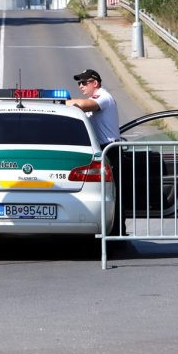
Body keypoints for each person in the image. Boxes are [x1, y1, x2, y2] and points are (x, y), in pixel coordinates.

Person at [67, 69, 125, 236]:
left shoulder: (103, 97)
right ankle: (111, 231)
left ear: (95, 83)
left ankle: (117, 233)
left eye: (84, 82)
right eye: (79, 83)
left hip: (110, 150)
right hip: (102, 149)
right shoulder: (95, 98)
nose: (80, 86)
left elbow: (84, 106)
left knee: (114, 194)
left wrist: (60, 102)